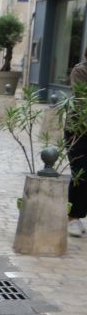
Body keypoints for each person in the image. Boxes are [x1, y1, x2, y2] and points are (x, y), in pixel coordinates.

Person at [68, 50, 87, 237]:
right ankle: (73, 217)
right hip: (78, 130)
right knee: (80, 174)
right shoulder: (80, 70)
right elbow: (82, 101)